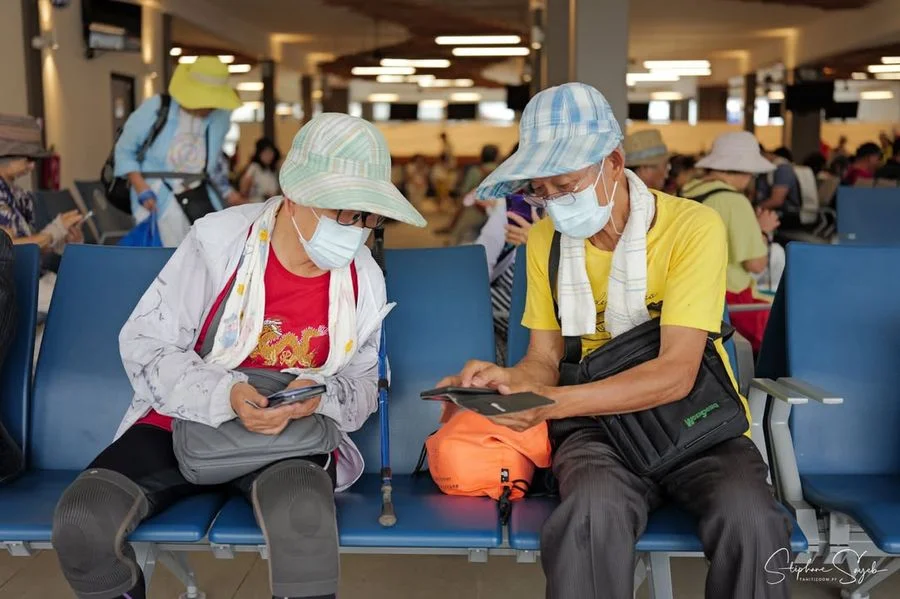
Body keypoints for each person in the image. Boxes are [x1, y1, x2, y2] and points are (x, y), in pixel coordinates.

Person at [437, 83, 791, 599]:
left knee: (753, 522)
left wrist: (551, 403)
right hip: (597, 432)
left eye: (567, 184)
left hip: (695, 422)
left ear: (613, 162)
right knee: (588, 517)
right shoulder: (545, 240)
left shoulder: (691, 227)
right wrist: (506, 382)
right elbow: (544, 358)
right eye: (543, 190)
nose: (555, 202)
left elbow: (676, 372)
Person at [51, 113, 426, 599]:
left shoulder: (363, 280)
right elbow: (147, 343)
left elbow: (362, 384)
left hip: (290, 432)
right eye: (344, 213)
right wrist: (227, 392)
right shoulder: (220, 242)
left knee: (305, 526)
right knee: (83, 521)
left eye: (369, 218)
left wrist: (318, 396)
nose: (358, 231)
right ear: (295, 197)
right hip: (186, 414)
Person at [114, 56, 244, 247]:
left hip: (198, 197)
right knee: (167, 259)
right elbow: (125, 150)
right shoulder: (158, 108)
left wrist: (229, 193)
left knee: (208, 251)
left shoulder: (220, 118)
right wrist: (140, 186)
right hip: (156, 196)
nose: (211, 107)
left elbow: (213, 162)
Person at [681, 132, 781, 350]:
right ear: (744, 171)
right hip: (731, 302)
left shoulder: (689, 191)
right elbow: (756, 264)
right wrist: (762, 231)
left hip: (694, 296)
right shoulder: (734, 201)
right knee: (788, 316)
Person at [0, 113, 84, 313]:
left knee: (85, 292)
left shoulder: (19, 195)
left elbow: (25, 245)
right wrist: (53, 232)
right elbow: (6, 248)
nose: (32, 166)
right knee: (80, 300)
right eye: (28, 159)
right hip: (14, 286)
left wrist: (59, 240)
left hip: (31, 277)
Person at [240, 137, 281, 203]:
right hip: (257, 204)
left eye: (271, 152)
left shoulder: (273, 169)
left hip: (271, 203)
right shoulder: (254, 167)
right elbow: (244, 188)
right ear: (259, 154)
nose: (269, 156)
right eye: (265, 153)